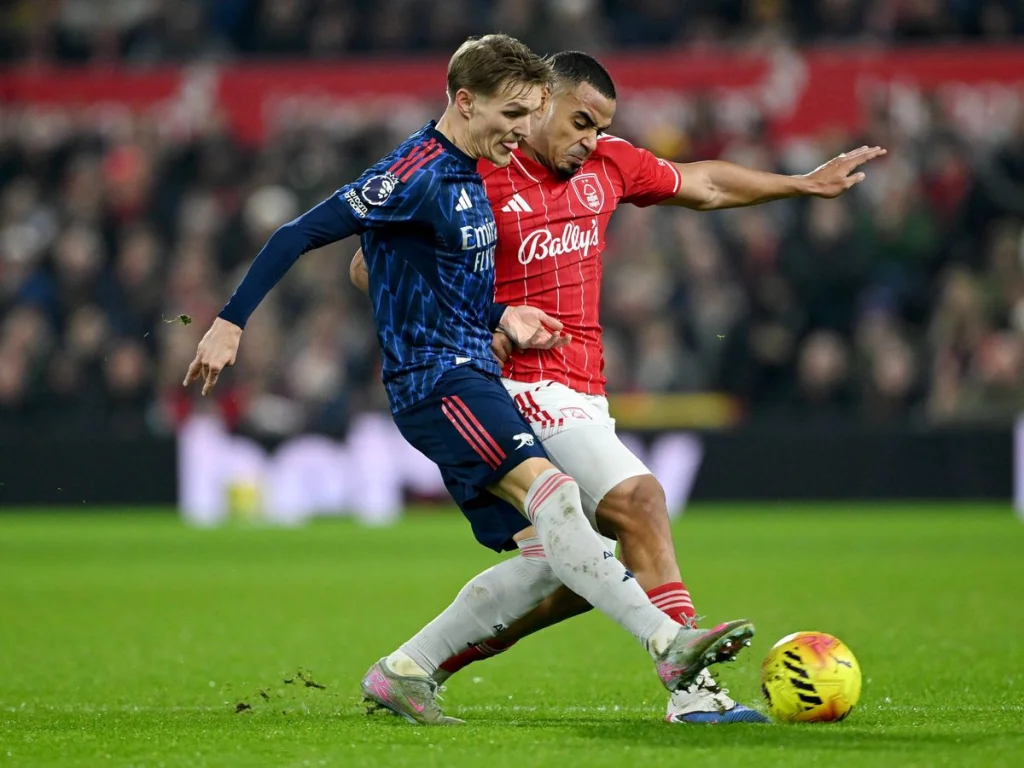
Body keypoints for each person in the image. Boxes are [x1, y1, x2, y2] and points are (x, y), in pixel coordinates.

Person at [183, 35, 756, 727]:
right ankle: (670, 645)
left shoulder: (473, 174)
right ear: (465, 101)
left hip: (471, 369)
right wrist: (230, 322)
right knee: (558, 499)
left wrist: (502, 312)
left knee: (551, 559)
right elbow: (298, 234)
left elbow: (438, 286)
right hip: (439, 380)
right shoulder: (416, 172)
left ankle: (406, 672)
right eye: (514, 114)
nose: (522, 130)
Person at [351, 51, 884, 724]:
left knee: (576, 576)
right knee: (640, 500)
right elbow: (368, 270)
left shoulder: (609, 166)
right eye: (580, 122)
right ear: (539, 104)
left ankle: (412, 667)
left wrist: (801, 185)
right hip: (511, 385)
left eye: (601, 127)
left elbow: (706, 185)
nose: (591, 140)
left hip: (583, 391)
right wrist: (474, 318)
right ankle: (692, 690)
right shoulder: (473, 172)